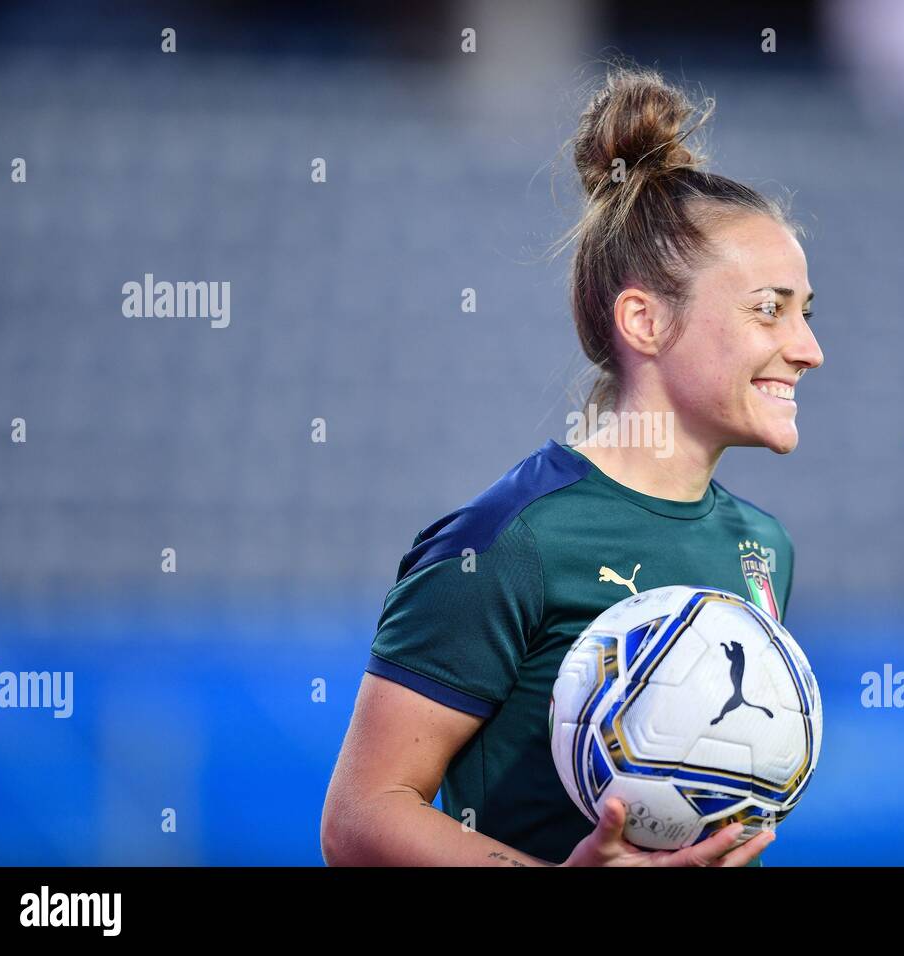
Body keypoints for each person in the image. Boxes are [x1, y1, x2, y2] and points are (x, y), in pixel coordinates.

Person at [321, 61, 823, 867]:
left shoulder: (764, 549)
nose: (809, 350)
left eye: (806, 313)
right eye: (770, 310)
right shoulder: (510, 542)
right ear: (645, 320)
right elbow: (360, 817)